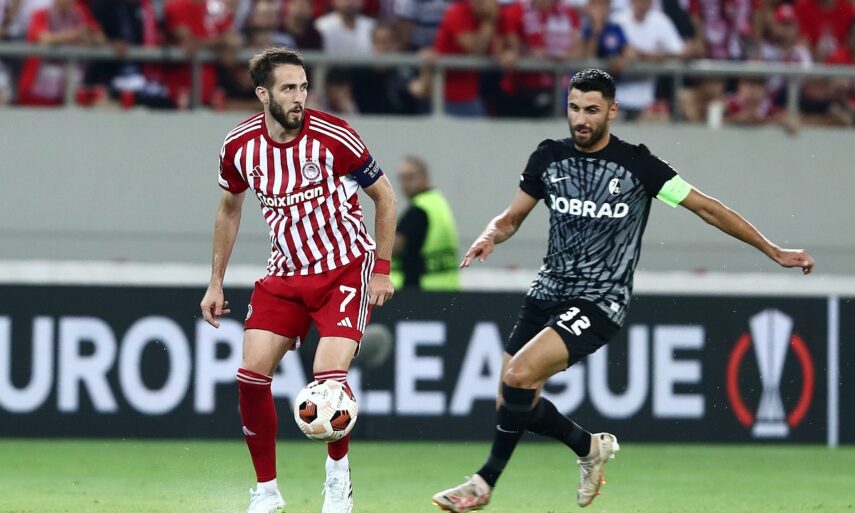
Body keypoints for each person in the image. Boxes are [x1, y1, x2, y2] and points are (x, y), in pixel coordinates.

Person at [431, 68, 814, 513]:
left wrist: (773, 250)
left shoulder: (640, 166)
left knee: (518, 377)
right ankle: (589, 447)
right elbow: (511, 217)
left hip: (600, 299)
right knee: (512, 401)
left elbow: (707, 208)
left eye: (592, 110)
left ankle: (483, 484)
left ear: (612, 111)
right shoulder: (548, 157)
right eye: (574, 108)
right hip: (546, 291)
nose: (581, 119)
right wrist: (490, 234)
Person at [199, 47, 397, 513]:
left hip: (343, 269)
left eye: (304, 87)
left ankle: (338, 478)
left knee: (328, 381)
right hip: (285, 274)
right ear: (263, 94)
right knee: (250, 376)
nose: (300, 97)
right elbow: (229, 209)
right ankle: (267, 492)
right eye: (289, 88)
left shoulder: (334, 135)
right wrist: (215, 282)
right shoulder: (239, 146)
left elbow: (385, 197)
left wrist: (382, 269)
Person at [391, 155, 460, 290]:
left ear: (425, 177)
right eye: (401, 178)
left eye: (410, 177)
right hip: (447, 286)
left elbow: (392, 247)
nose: (405, 184)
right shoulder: (438, 203)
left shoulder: (419, 210)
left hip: (422, 289)